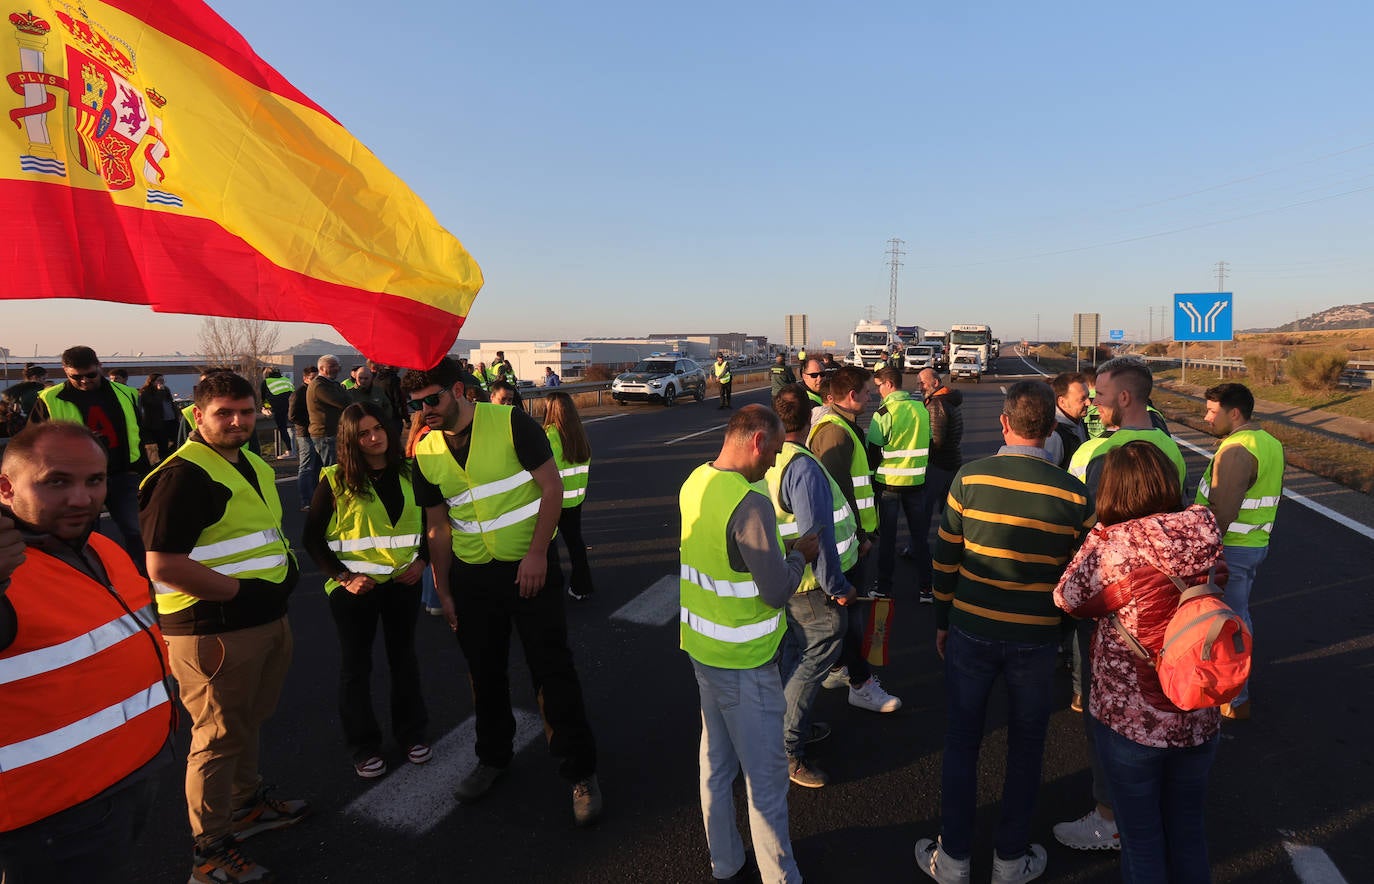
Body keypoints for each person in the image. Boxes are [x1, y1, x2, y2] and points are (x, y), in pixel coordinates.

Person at [403, 358, 602, 826]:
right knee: (483, 674)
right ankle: (493, 758)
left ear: (458, 390)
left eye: (432, 399)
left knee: (551, 669)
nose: (425, 410)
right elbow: (436, 525)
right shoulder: (425, 451)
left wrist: (536, 554)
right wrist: (443, 589)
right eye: (415, 404)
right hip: (473, 576)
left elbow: (551, 489)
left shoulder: (510, 421)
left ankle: (580, 771)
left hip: (528, 564)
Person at [917, 380, 1094, 884]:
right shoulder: (1075, 494)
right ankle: (1009, 861)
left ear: (1005, 423)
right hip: (1036, 641)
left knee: (962, 742)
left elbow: (945, 559)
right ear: (1051, 430)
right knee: (1025, 748)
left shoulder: (970, 479)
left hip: (971, 631)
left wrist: (943, 621)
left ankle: (952, 860)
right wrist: (1060, 628)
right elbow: (1078, 579)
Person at [139, 372, 308, 884]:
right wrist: (243, 593)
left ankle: (245, 806)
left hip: (260, 619)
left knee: (246, 722)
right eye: (224, 413)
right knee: (215, 737)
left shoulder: (250, 461)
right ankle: (209, 851)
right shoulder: (181, 476)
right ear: (196, 414)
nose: (237, 422)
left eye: (246, 411)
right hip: (213, 628)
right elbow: (162, 565)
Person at [0, 423, 176, 883]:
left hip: (128, 773)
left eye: (94, 481)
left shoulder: (100, 545)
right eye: (56, 481)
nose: (82, 499)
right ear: (6, 488)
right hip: (49, 813)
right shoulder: (8, 571)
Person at [1054, 442, 1225, 883]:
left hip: (1134, 718)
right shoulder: (1204, 525)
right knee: (1189, 832)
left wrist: (1099, 531)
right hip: (1198, 706)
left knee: (1142, 840)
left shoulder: (1115, 543)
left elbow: (1067, 598)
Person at [680, 404, 818, 883]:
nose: (773, 463)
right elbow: (776, 590)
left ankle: (726, 860)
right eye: (774, 452)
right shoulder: (751, 504)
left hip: (703, 651)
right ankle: (780, 876)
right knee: (767, 780)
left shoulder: (696, 481)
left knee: (715, 765)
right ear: (757, 441)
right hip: (746, 661)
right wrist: (800, 556)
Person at [1059, 356, 1186, 853]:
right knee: (1162, 699)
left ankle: (1109, 814)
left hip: (1118, 603)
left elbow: (1094, 532)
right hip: (1167, 599)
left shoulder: (1105, 453)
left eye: (1102, 396)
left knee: (1109, 712)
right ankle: (1156, 804)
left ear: (1126, 399)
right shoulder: (1170, 449)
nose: (1095, 404)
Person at [303, 402, 430, 779]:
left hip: (403, 584)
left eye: (378, 428)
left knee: (404, 660)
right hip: (354, 591)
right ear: (350, 439)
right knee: (356, 668)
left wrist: (423, 561)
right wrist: (343, 577)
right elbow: (311, 539)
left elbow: (429, 524)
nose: (374, 437)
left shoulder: (410, 471)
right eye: (363, 433)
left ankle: (411, 734)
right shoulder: (335, 479)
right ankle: (363, 745)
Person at [764, 386, 857, 790]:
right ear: (810, 419)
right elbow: (814, 537)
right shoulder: (801, 466)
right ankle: (788, 749)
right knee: (810, 661)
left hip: (782, 579)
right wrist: (836, 586)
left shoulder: (768, 459)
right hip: (807, 586)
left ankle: (784, 731)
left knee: (790, 658)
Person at [809, 366, 899, 713]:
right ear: (850, 397)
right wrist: (861, 536)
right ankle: (859, 683)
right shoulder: (835, 434)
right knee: (850, 616)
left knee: (845, 616)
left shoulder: (844, 426)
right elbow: (836, 496)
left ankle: (839, 668)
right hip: (848, 542)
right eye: (865, 392)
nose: (870, 397)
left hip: (853, 537)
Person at [1197, 382, 1283, 722]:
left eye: (1212, 411)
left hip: (1230, 548)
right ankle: (1235, 694)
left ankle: (1233, 697)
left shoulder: (1236, 449)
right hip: (1254, 544)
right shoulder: (1270, 443)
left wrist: (1201, 550)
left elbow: (1222, 509)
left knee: (1226, 625)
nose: (1206, 418)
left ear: (1234, 413)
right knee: (1238, 617)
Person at [29, 346, 156, 569]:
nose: (84, 381)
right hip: (78, 481)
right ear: (64, 372)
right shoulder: (50, 398)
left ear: (100, 367)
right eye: (76, 377)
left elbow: (139, 431)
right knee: (87, 537)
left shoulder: (125, 393)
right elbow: (34, 442)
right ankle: (98, 584)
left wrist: (143, 468)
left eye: (90, 375)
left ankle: (147, 581)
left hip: (123, 474)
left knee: (138, 531)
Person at [867, 367, 931, 601]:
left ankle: (884, 587)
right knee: (919, 538)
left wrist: (873, 476)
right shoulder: (920, 409)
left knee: (888, 539)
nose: (877, 391)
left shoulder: (884, 413)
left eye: (879, 386)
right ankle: (927, 588)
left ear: (889, 385)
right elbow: (929, 442)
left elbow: (873, 450)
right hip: (917, 483)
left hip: (889, 485)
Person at [911, 368, 963, 601]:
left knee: (924, 511)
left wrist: (919, 450)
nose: (919, 386)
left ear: (935, 382)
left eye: (923, 382)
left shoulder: (936, 405)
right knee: (947, 512)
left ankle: (922, 551)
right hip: (950, 463)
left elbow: (937, 439)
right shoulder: (946, 399)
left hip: (937, 465)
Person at [543, 392, 595, 601]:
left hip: (555, 500)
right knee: (575, 543)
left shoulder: (550, 435)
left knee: (547, 545)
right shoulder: (578, 434)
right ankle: (582, 585)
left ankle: (550, 588)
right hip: (576, 499)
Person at [307, 354, 351, 468]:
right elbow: (342, 402)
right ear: (321, 368)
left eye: (337, 366)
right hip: (325, 434)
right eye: (332, 366)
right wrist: (345, 395)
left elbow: (347, 398)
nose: (336, 369)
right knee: (333, 469)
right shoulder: (319, 386)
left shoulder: (332, 384)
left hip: (333, 433)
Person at [289, 365, 320, 511]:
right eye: (312, 379)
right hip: (305, 435)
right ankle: (306, 500)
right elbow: (292, 416)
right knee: (306, 468)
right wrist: (310, 423)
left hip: (318, 434)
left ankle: (317, 498)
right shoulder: (299, 394)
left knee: (317, 468)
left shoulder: (317, 392)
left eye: (317, 378)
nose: (315, 381)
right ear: (305, 378)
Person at [1044, 372, 1089, 470]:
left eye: (1088, 396)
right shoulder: (1054, 436)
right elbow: (1048, 474)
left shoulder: (1079, 423)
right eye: (1082, 399)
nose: (1089, 402)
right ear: (1062, 402)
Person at [139, 373, 180, 458]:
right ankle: (163, 460)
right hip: (158, 423)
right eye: (159, 380)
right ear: (152, 381)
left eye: (163, 380)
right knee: (162, 445)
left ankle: (173, 455)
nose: (161, 382)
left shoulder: (166, 389)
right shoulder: (146, 391)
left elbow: (170, 403)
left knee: (178, 440)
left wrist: (176, 414)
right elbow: (154, 403)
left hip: (171, 420)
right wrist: (160, 391)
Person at [260, 368, 295, 459]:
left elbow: (264, 398)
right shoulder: (286, 380)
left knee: (282, 427)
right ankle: (293, 451)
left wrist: (266, 408)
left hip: (279, 407)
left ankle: (289, 451)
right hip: (292, 406)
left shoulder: (266, 382)